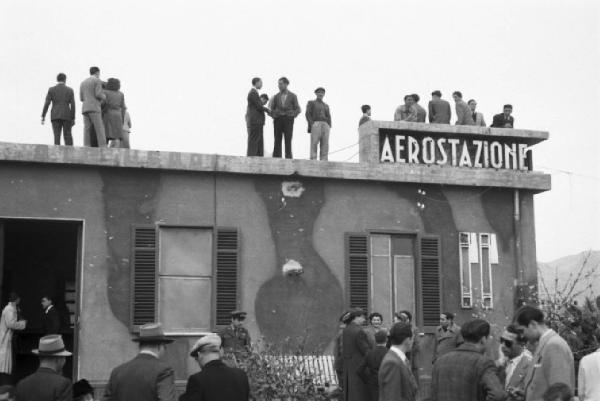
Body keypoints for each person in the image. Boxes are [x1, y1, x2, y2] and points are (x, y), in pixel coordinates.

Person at [430, 319, 506, 401]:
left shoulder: (440, 362)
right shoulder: (483, 363)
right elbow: (498, 394)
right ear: (483, 340)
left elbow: (433, 394)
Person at [103, 323, 177, 401]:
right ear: (159, 346)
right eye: (165, 347)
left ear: (140, 346)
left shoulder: (117, 371)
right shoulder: (164, 370)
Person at [514, 306, 574, 401]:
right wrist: (526, 394)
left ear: (533, 324)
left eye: (522, 331)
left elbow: (560, 394)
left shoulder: (554, 345)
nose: (522, 336)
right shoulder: (544, 345)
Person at [179, 334, 250, 401]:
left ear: (199, 355)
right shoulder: (241, 375)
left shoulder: (197, 380)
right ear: (220, 353)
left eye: (196, 359)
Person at [15, 334, 72, 401]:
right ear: (58, 359)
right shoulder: (63, 384)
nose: (64, 361)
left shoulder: (22, 385)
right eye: (64, 358)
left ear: (40, 358)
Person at [378, 323, 418, 401]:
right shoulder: (392, 362)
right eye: (413, 338)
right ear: (407, 340)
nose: (413, 342)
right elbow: (392, 397)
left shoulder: (400, 359)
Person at [342, 308, 371, 401]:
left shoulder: (346, 329)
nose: (364, 320)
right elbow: (365, 350)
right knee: (359, 392)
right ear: (356, 317)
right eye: (362, 317)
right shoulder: (359, 331)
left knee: (350, 392)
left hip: (348, 365)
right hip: (359, 365)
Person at [269, 77, 301, 159]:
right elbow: (270, 109)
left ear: (286, 84)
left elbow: (298, 109)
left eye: (281, 84)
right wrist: (274, 115)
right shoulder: (275, 96)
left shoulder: (293, 96)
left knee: (288, 139)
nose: (279, 85)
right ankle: (276, 158)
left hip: (288, 120)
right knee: (277, 139)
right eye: (278, 84)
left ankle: (289, 158)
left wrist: (292, 115)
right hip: (278, 120)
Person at [497, 324, 532, 396]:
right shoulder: (500, 363)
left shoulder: (530, 366)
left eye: (508, 343)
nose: (503, 346)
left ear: (522, 344)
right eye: (502, 340)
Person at [41, 73, 76, 146]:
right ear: (65, 79)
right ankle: (69, 153)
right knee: (67, 136)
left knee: (56, 136)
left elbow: (47, 103)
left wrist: (43, 115)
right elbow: (73, 105)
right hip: (67, 115)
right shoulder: (70, 90)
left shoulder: (51, 90)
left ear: (57, 80)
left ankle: (57, 153)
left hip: (55, 115)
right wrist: (73, 118)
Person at [0, 293, 26, 385]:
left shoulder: (12, 308)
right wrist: (22, 324)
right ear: (17, 299)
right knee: (5, 364)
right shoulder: (9, 309)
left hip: (8, 339)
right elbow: (11, 324)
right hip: (5, 339)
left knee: (6, 364)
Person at [80, 66, 107, 147]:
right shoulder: (97, 80)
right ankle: (102, 146)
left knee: (87, 128)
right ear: (97, 72)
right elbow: (98, 94)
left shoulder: (83, 82)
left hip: (85, 108)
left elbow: (81, 98)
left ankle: (86, 146)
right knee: (99, 128)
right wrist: (104, 97)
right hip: (94, 107)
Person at [358, 330, 388, 401]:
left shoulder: (369, 353)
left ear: (375, 340)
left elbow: (359, 370)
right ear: (386, 339)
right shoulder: (389, 353)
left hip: (373, 382)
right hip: (387, 382)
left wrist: (367, 380)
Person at [246, 77, 270, 157]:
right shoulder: (253, 93)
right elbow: (259, 106)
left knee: (257, 140)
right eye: (261, 82)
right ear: (256, 82)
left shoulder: (254, 93)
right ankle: (251, 157)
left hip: (257, 122)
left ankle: (256, 156)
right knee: (254, 140)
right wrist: (267, 110)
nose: (261, 84)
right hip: (255, 121)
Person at [305, 87, 332, 161]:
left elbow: (328, 116)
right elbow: (308, 114)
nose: (321, 94)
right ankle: (313, 160)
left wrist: (329, 125)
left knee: (325, 144)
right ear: (316, 93)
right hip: (316, 123)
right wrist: (312, 124)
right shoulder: (311, 103)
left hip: (325, 124)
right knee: (314, 143)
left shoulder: (326, 105)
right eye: (319, 92)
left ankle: (324, 160)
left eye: (322, 93)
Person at [394, 310, 420, 385]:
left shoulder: (413, 329)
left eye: (405, 317)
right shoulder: (395, 328)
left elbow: (416, 344)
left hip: (410, 355)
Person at [102, 78, 127, 148]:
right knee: (117, 136)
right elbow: (123, 108)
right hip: (118, 115)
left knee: (106, 134)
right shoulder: (121, 94)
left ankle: (104, 150)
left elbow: (102, 104)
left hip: (108, 114)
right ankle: (116, 151)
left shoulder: (105, 92)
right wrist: (122, 118)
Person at [334, 311, 351, 393]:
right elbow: (342, 349)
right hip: (343, 363)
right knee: (345, 388)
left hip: (341, 362)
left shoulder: (342, 331)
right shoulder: (345, 332)